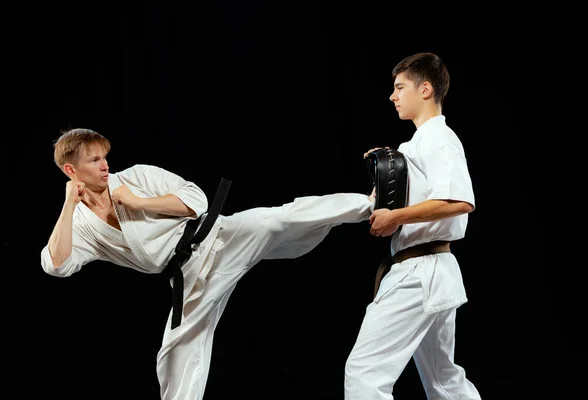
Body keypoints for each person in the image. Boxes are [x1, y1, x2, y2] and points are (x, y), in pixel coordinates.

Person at [40, 128, 376, 400]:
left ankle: (370, 204)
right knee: (176, 354)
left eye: (104, 157)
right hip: (188, 276)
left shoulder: (136, 177)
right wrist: (69, 206)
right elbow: (56, 264)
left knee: (275, 220)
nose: (104, 165)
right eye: (94, 160)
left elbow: (194, 199)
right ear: (71, 170)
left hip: (216, 238)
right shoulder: (82, 224)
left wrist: (139, 202)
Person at [344, 52, 482, 399]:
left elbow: (459, 201)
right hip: (431, 270)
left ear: (425, 89)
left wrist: (395, 217)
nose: (393, 96)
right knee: (444, 381)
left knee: (364, 373)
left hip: (419, 271)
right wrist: (390, 172)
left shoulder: (439, 138)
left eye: (400, 87)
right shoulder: (418, 143)